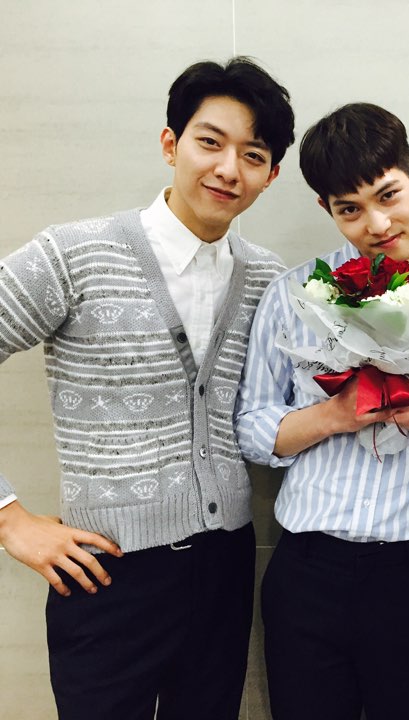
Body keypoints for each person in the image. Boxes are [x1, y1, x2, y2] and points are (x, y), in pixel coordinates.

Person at [0, 57, 295, 719]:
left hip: (225, 568)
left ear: (270, 176)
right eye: (210, 142)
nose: (228, 169)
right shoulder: (76, 255)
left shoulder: (266, 278)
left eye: (252, 155)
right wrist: (9, 519)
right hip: (107, 573)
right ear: (170, 143)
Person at [235, 102, 409, 720]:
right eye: (349, 209)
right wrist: (336, 415)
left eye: (388, 195)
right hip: (308, 571)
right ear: (327, 209)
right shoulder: (294, 296)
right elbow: (252, 428)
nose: (376, 223)